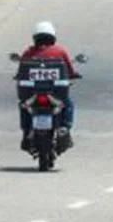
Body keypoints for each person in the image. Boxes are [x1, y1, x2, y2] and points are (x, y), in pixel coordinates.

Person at [17, 21, 81, 150]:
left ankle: (26, 131)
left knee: (23, 106)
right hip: (56, 93)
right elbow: (69, 70)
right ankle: (65, 127)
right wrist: (74, 75)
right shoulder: (60, 51)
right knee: (68, 104)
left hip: (32, 93)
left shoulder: (28, 53)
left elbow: (21, 72)